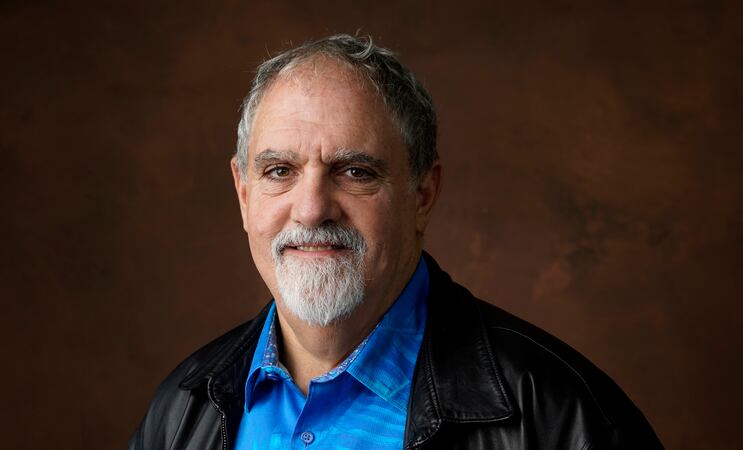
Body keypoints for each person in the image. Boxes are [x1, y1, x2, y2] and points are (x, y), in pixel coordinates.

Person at [127, 34, 663, 450]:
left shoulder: (564, 417)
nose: (312, 209)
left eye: (355, 171)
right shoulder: (179, 411)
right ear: (244, 196)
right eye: (279, 171)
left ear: (422, 194)